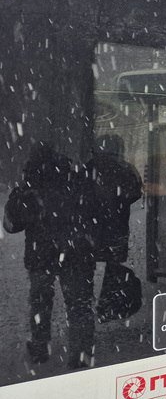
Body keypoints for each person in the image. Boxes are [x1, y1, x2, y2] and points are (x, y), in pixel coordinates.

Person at [3, 143, 99, 367]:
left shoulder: (30, 186)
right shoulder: (75, 180)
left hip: (41, 253)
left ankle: (39, 348)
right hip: (76, 251)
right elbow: (92, 211)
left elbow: (10, 224)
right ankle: (81, 354)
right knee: (78, 305)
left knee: (40, 302)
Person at [85, 135, 144, 322]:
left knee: (86, 267)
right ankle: (107, 305)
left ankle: (85, 306)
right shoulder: (125, 169)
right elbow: (135, 193)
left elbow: (79, 194)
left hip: (90, 228)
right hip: (116, 228)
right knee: (113, 265)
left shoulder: (89, 167)